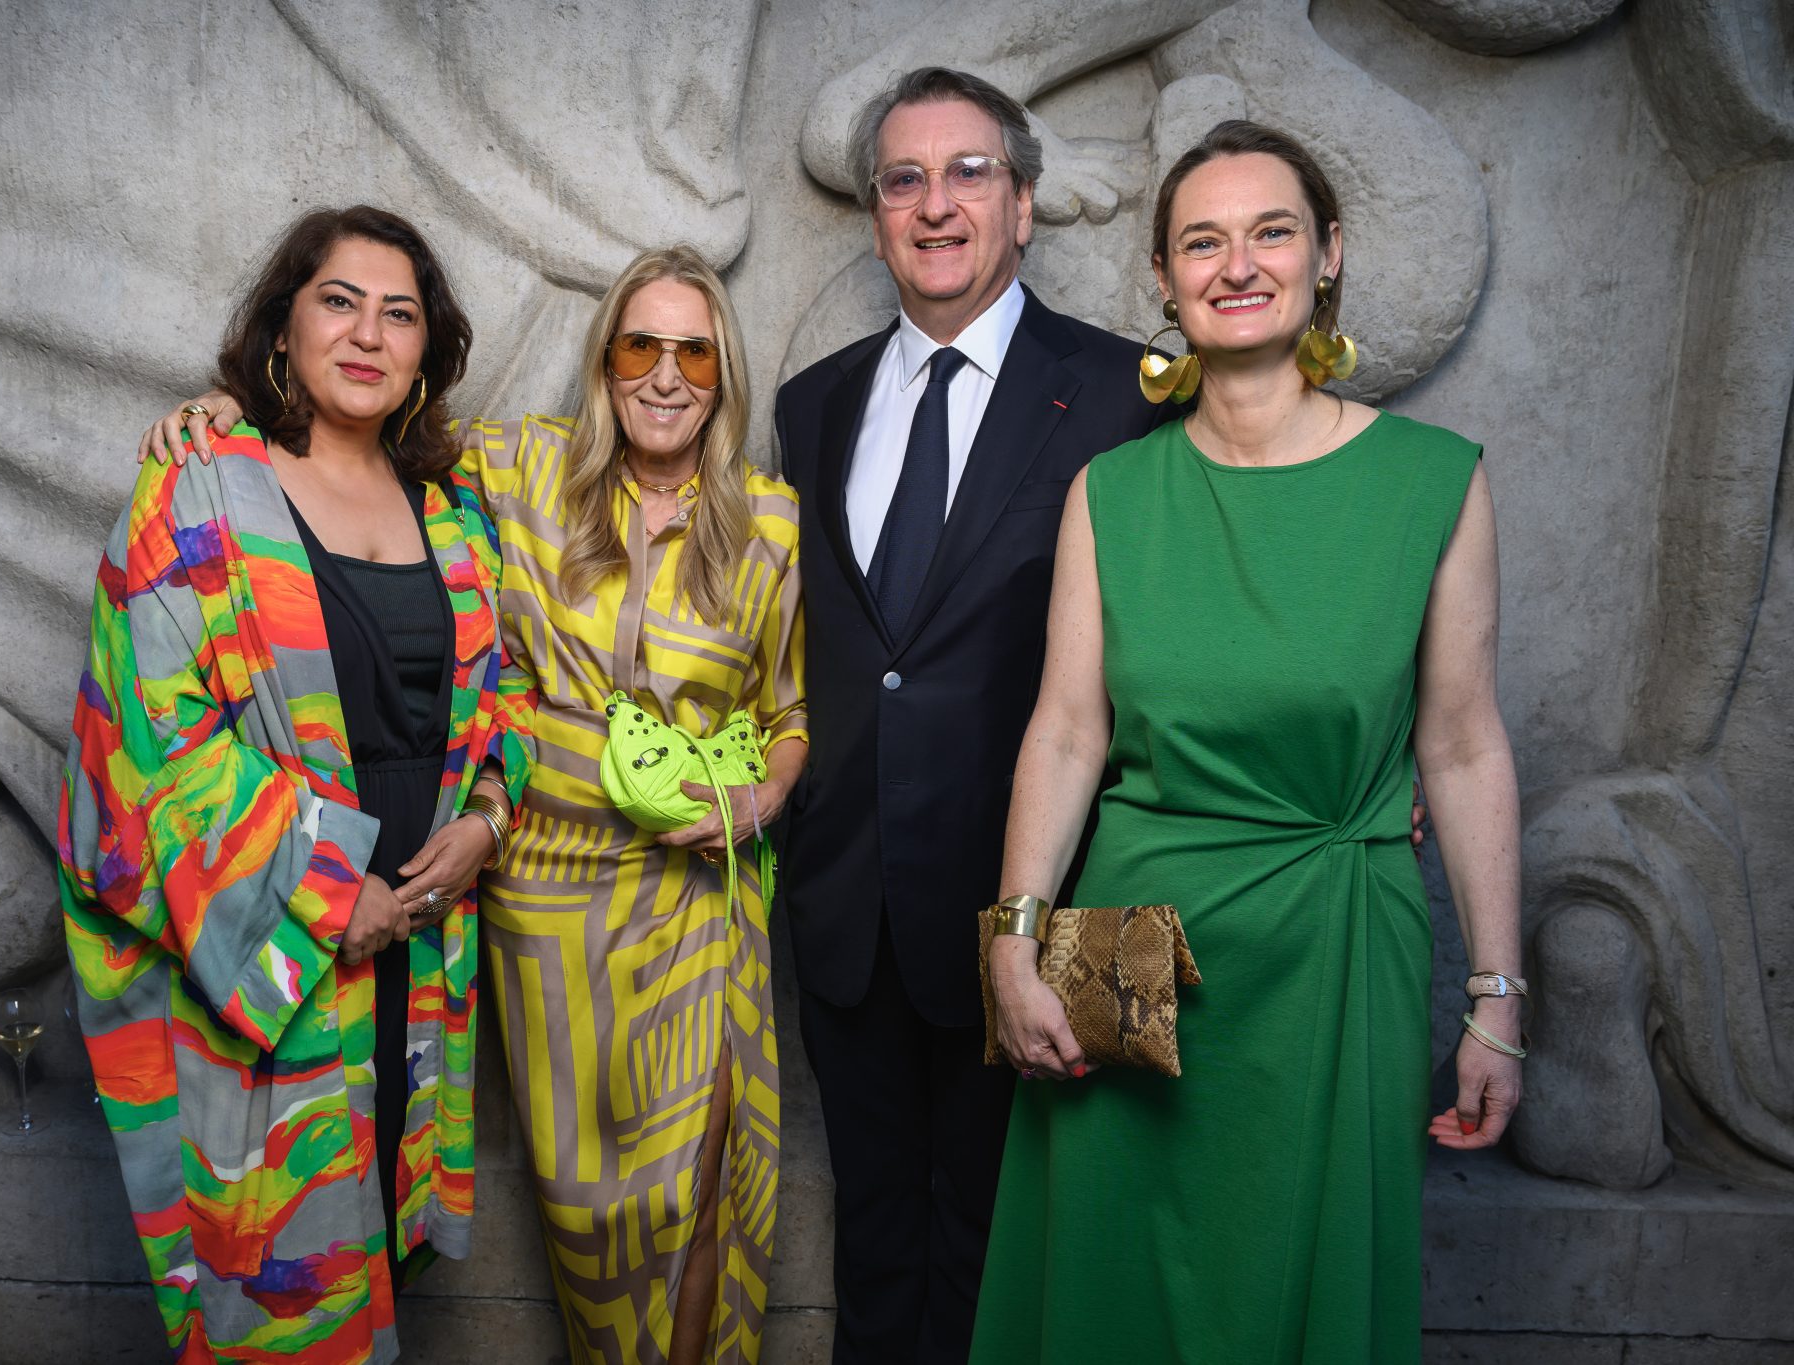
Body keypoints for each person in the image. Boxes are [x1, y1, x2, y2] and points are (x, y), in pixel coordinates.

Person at [140, 244, 806, 1363]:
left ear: (723, 372)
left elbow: (788, 712)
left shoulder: (768, 519)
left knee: (706, 1181)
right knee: (593, 1208)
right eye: (641, 343)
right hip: (545, 895)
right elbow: (364, 438)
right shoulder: (515, 471)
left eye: (695, 350)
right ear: (604, 362)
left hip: (698, 887)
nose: (667, 374)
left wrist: (759, 800)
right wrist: (233, 407)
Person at [975, 121, 1524, 1363]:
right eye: (1200, 241)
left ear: (1325, 256)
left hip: (1335, 937)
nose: (1237, 264)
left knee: (1291, 1291)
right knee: (1109, 1290)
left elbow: (1465, 748)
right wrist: (1010, 943)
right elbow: (1064, 734)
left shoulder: (1431, 481)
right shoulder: (1110, 494)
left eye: (1269, 231)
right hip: (1128, 938)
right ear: (1163, 282)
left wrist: (1496, 1000)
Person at [61, 204, 533, 1365]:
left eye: (401, 313)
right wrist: (329, 895)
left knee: (372, 1226)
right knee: (276, 1280)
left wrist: (484, 819)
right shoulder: (201, 492)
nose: (368, 334)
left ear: (429, 352)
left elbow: (507, 696)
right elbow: (147, 742)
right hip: (272, 954)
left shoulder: (456, 516)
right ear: (284, 327)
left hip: (420, 945)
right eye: (339, 301)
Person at [771, 68, 1160, 1363]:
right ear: (877, 213)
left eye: (970, 172)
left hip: (1055, 911)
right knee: (875, 1236)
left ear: (1027, 204)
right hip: (849, 910)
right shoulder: (811, 404)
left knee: (1042, 1245)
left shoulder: (1127, 395)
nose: (936, 205)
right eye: (904, 179)